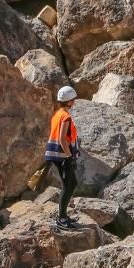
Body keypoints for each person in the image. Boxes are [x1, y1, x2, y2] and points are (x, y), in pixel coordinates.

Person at [44, 86, 80, 230]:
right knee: (68, 186)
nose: (74, 101)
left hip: (57, 155)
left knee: (72, 183)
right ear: (69, 101)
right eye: (73, 99)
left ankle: (63, 215)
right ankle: (62, 218)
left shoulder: (58, 113)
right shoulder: (65, 117)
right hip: (63, 156)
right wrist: (69, 156)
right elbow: (62, 139)